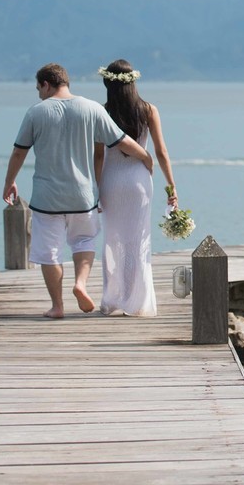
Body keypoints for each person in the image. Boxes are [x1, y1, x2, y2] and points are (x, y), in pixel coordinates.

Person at [3, 63, 153, 319]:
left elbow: (19, 152)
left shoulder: (36, 112)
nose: (39, 93)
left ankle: (57, 306)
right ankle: (81, 283)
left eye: (38, 88)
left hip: (47, 198)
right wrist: (146, 158)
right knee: (83, 241)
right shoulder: (92, 108)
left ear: (46, 85)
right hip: (83, 196)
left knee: (49, 252)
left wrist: (10, 182)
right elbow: (122, 141)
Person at [95, 59, 178, 317]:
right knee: (137, 240)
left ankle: (113, 297)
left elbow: (98, 156)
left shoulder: (101, 112)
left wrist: (96, 190)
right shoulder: (148, 110)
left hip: (111, 180)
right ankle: (135, 300)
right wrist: (171, 186)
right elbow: (161, 152)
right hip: (138, 181)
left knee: (112, 239)